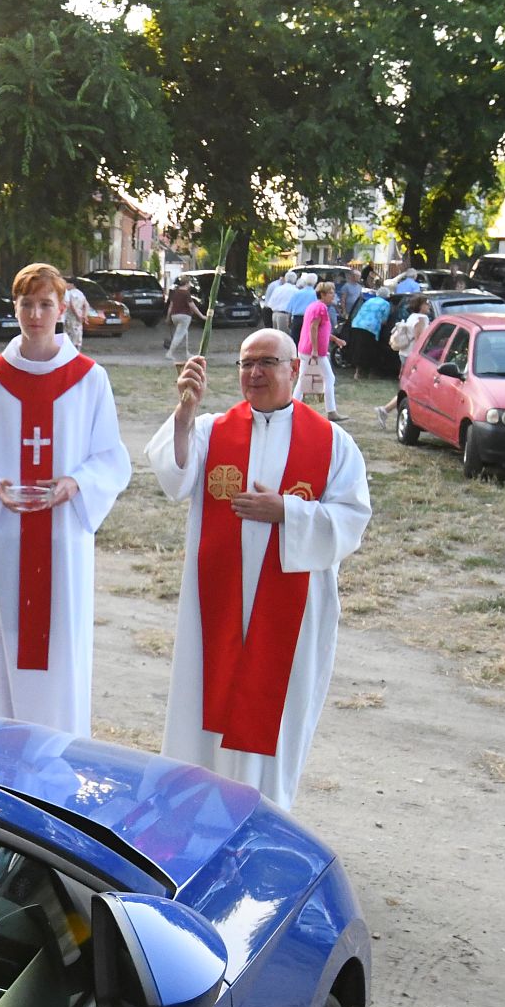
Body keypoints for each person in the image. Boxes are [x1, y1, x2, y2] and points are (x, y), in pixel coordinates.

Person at [144, 329, 371, 808]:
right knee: (207, 705)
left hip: (288, 609)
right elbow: (174, 476)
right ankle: (195, 808)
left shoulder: (333, 443)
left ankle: (264, 812)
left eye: (268, 362)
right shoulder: (211, 429)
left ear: (295, 370)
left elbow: (352, 520)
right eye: (246, 363)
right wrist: (183, 415)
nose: (255, 373)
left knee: (274, 708)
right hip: (218, 604)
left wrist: (288, 511)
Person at [0, 263, 132, 735]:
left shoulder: (90, 380)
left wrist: (76, 483)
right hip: (5, 538)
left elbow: (110, 457)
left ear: (63, 307)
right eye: (26, 304)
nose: (35, 313)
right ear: (15, 308)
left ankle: (57, 754)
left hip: (61, 539)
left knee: (57, 651)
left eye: (45, 303)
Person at [294, 281, 347, 421]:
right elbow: (313, 328)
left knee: (303, 378)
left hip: (306, 348)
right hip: (313, 351)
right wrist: (315, 350)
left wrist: (335, 340)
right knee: (329, 378)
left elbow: (322, 330)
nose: (333, 295)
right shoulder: (320, 308)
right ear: (322, 294)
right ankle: (331, 411)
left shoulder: (314, 306)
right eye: (330, 292)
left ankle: (293, 406)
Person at [377, 295, 429, 427]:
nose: (428, 306)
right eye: (426, 303)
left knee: (409, 387)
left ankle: (386, 410)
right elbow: (419, 340)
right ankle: (386, 410)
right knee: (411, 388)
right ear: (420, 305)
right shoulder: (421, 319)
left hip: (405, 354)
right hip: (413, 356)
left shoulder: (412, 317)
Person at [347, 289, 392, 380]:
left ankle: (357, 371)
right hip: (370, 327)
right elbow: (384, 320)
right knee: (367, 351)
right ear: (387, 296)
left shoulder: (369, 300)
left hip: (356, 324)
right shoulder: (386, 304)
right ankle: (363, 373)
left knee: (358, 348)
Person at [164, 276, 206, 361]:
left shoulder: (175, 292)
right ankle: (169, 353)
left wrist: (168, 317)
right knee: (179, 335)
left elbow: (170, 306)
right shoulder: (186, 293)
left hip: (174, 316)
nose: (190, 285)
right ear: (187, 283)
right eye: (190, 283)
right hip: (185, 316)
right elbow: (192, 306)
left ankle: (186, 353)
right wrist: (202, 316)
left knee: (184, 333)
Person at [285, 272, 318, 344]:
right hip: (309, 319)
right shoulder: (315, 294)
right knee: (306, 340)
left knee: (295, 340)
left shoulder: (297, 293)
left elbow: (290, 308)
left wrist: (288, 321)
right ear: (315, 282)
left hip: (296, 319)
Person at [61, 277, 90, 348]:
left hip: (71, 317)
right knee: (78, 335)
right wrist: (84, 315)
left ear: (72, 284)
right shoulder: (80, 293)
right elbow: (86, 305)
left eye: (66, 283)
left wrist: (77, 315)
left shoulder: (68, 293)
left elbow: (71, 305)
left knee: (69, 335)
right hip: (79, 317)